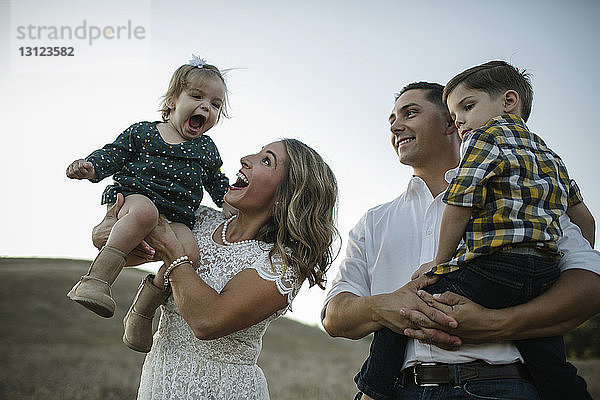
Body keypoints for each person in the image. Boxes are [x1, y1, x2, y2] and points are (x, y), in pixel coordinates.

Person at [322, 82, 600, 400]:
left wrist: (497, 323)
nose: (396, 126)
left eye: (410, 113)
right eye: (391, 120)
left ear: (450, 124)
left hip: (504, 386)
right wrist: (386, 307)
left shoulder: (523, 198)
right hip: (400, 390)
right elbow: (334, 316)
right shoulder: (373, 222)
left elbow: (590, 286)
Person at [93, 139, 339, 399]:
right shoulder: (198, 219)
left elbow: (207, 321)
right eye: (256, 152)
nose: (246, 158)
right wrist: (103, 231)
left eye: (266, 160)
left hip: (223, 390)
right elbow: (121, 250)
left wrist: (173, 253)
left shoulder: (282, 264)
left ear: (285, 196)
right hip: (160, 380)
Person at [66, 55, 235, 318]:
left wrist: (230, 203)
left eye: (215, 104)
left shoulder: (206, 149)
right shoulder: (144, 132)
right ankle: (95, 281)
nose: (206, 107)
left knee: (188, 256)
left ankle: (142, 312)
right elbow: (114, 154)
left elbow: (217, 182)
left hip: (176, 217)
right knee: (146, 213)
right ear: (172, 101)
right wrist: (91, 167)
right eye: (197, 96)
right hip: (134, 200)